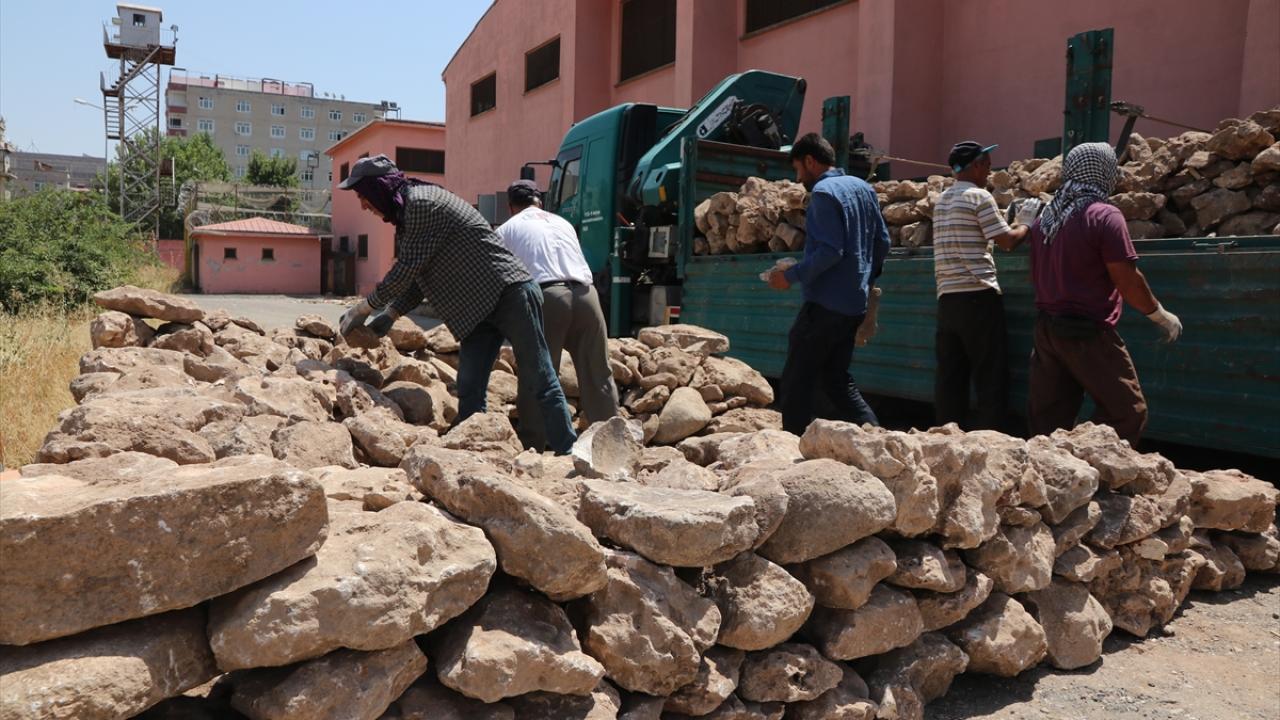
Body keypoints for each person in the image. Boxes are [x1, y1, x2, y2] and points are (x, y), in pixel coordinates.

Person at [336, 154, 577, 454]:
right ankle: (470, 452)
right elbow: (418, 275)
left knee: (539, 375)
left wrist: (365, 308)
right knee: (470, 387)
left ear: (377, 189)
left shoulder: (422, 204)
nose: (363, 205)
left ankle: (569, 451)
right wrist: (392, 313)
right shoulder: (409, 213)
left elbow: (406, 270)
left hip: (509, 293)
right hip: (477, 308)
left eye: (363, 196)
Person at [1027, 142, 1182, 446]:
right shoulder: (1104, 215)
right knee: (1127, 411)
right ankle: (1085, 465)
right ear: (1105, 171)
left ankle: (1051, 477)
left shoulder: (1044, 219)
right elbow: (1126, 279)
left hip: (1047, 330)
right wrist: (1159, 315)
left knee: (1048, 419)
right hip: (1086, 332)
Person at [768, 133, 889, 434]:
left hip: (824, 305)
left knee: (797, 380)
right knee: (836, 379)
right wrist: (864, 278)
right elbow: (882, 242)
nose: (798, 179)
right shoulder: (863, 188)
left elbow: (830, 251)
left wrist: (789, 276)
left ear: (810, 161)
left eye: (798, 169)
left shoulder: (823, 193)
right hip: (853, 306)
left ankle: (790, 450)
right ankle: (876, 435)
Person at [496, 179, 619, 449]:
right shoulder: (562, 223)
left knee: (537, 372)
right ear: (540, 201)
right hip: (588, 296)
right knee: (598, 373)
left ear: (510, 206)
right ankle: (613, 444)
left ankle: (533, 444)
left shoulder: (507, 229)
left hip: (548, 297)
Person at [931, 141, 1040, 430]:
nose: (990, 173)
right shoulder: (979, 197)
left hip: (948, 300)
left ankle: (946, 440)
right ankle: (992, 443)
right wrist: (1026, 223)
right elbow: (1007, 242)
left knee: (950, 378)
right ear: (976, 166)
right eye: (988, 166)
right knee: (990, 377)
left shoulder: (942, 201)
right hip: (978, 297)